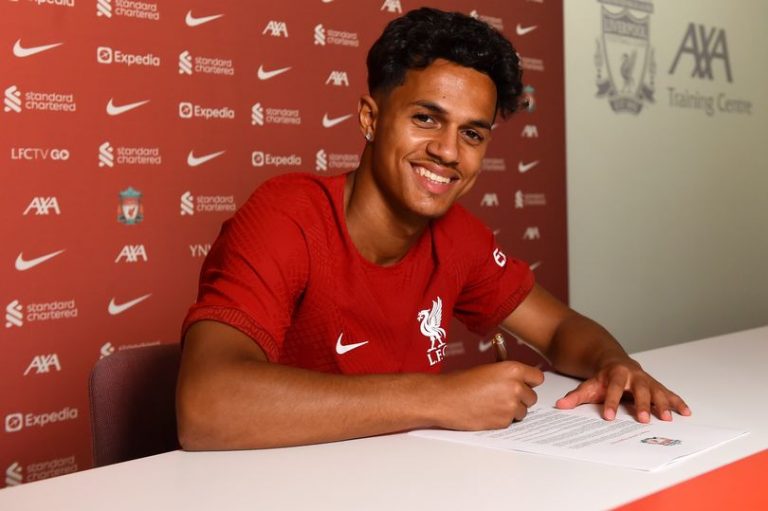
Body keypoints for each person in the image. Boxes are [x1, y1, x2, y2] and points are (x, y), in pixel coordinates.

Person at [176, 7, 690, 450]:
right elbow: (206, 406)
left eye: (472, 133)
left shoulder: (458, 235)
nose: (448, 151)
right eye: (426, 118)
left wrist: (615, 363)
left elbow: (557, 329)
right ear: (370, 118)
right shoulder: (287, 214)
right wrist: (440, 396)